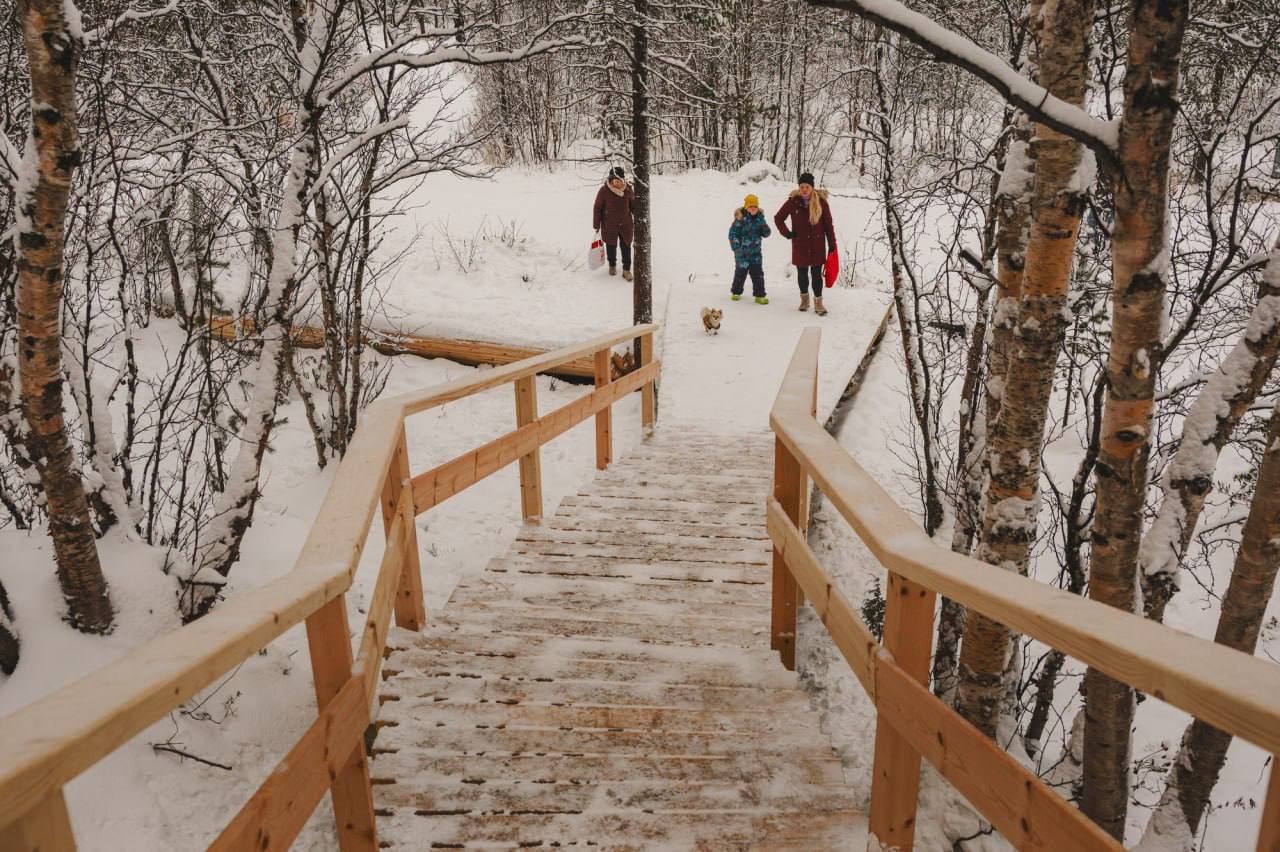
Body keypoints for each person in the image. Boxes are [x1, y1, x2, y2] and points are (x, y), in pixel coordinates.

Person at [773, 171, 836, 315]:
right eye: (802, 186)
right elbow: (778, 218)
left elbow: (828, 225)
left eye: (807, 186)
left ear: (812, 187)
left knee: (816, 275)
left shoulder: (821, 203)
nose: (804, 189)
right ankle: (804, 300)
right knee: (802, 274)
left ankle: (818, 303)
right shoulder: (793, 202)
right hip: (800, 245)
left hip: (817, 245)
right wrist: (787, 233)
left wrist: (832, 244)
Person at [592, 166, 635, 281]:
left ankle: (626, 270)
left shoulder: (628, 189)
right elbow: (597, 208)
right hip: (609, 225)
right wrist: (596, 224)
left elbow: (633, 206)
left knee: (626, 246)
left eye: (619, 180)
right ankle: (612, 265)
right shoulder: (604, 190)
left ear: (623, 180)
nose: (616, 182)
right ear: (610, 180)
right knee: (611, 246)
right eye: (614, 180)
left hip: (626, 225)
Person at [728, 194, 771, 304]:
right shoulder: (740, 219)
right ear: (746, 208)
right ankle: (736, 292)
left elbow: (766, 234)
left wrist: (764, 226)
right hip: (742, 254)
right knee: (740, 274)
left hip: (756, 254)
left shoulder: (760, 219)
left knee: (758, 275)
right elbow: (732, 234)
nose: (753, 208)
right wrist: (736, 248)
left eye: (755, 207)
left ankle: (760, 295)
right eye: (750, 206)